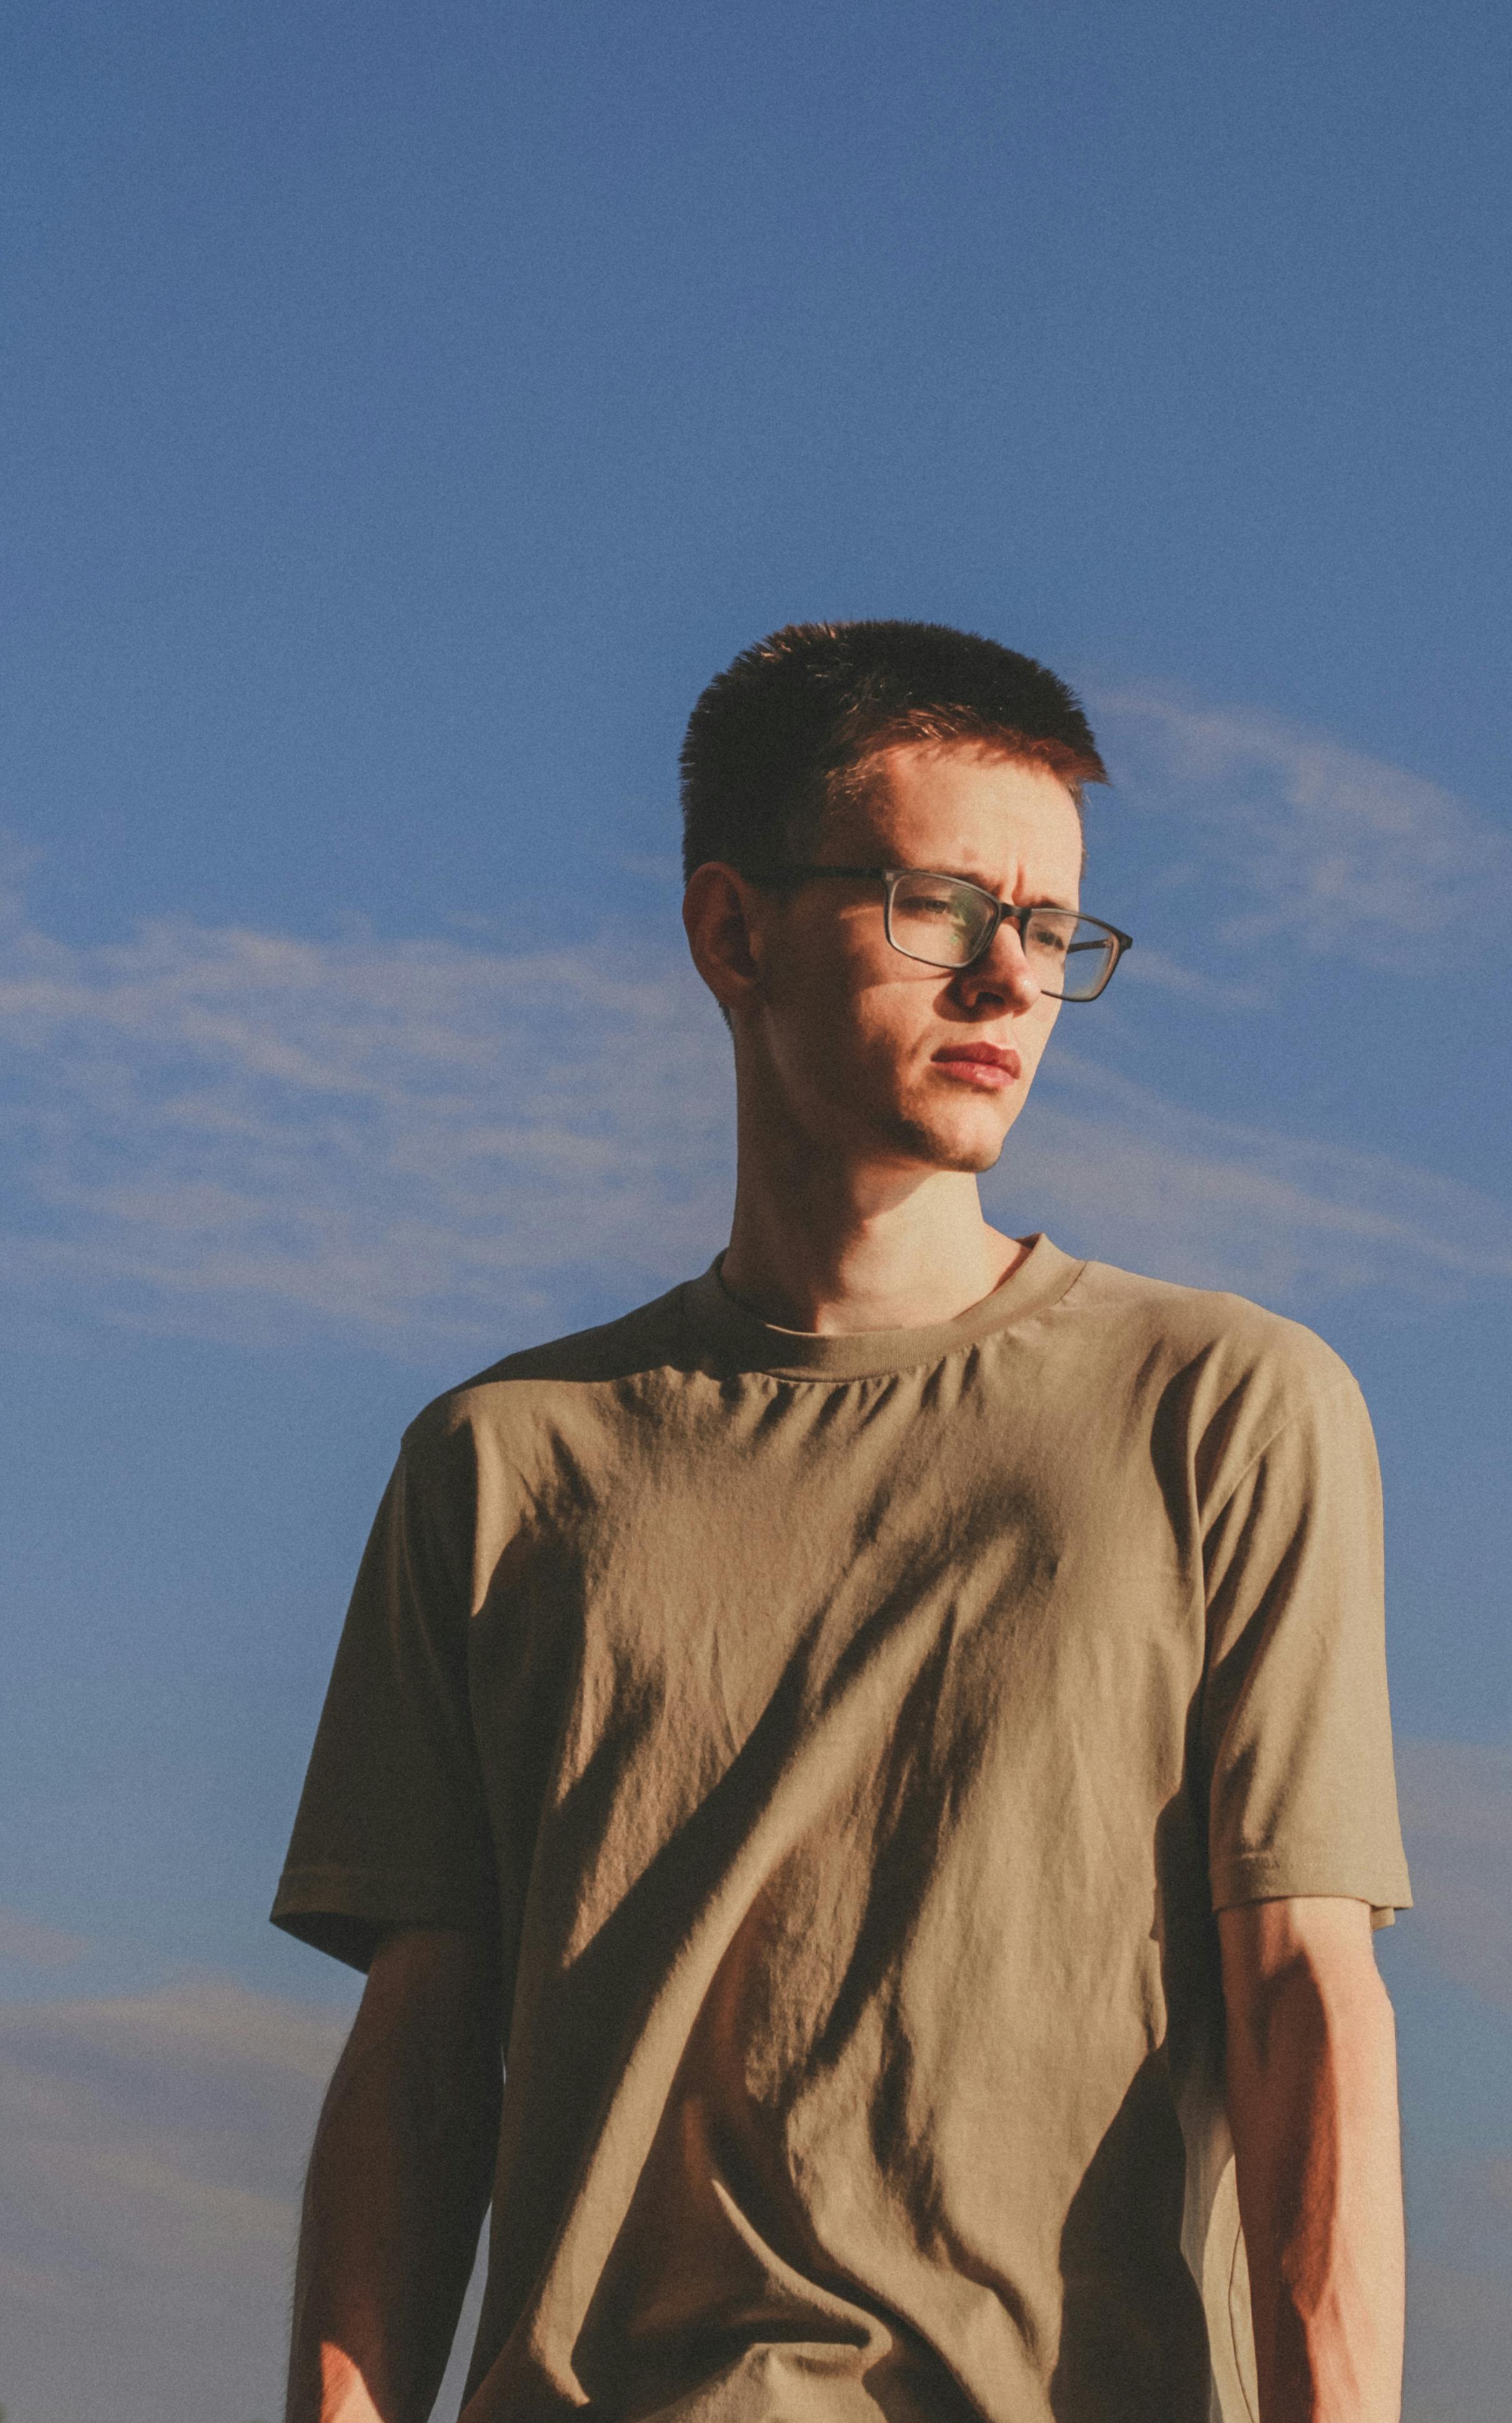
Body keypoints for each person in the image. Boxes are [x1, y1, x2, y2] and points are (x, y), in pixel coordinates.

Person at [275, 620, 1411, 2423]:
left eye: (1047, 933)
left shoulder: (1226, 1405)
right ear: (734, 933)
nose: (1006, 986)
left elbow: (1300, 1995)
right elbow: (419, 2055)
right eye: (940, 909)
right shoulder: (502, 1461)